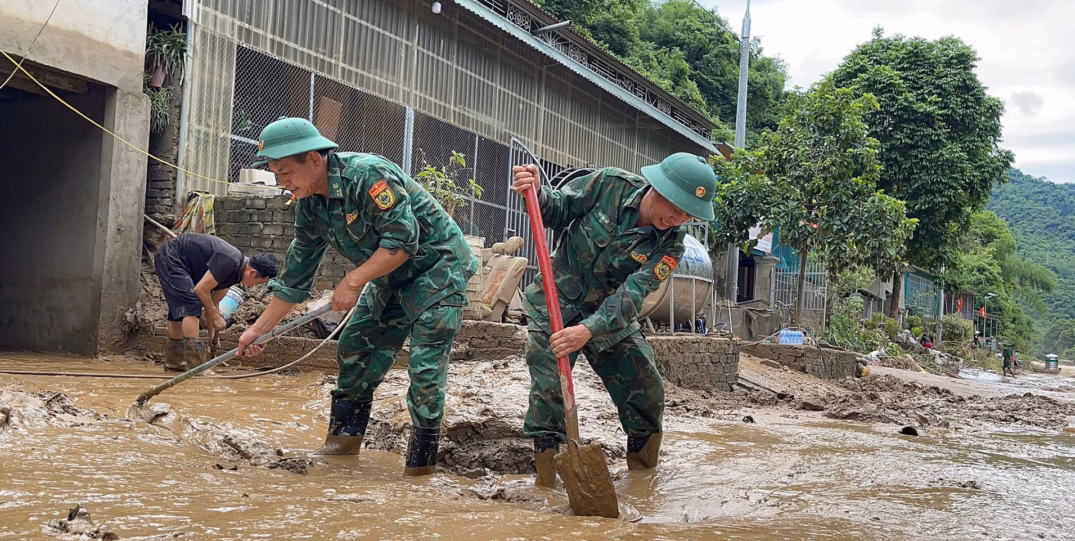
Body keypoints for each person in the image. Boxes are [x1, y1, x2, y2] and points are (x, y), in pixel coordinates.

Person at [237, 117, 478, 476]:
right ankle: (340, 449)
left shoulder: (368, 175)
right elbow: (296, 277)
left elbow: (402, 243)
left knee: (424, 366)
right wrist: (259, 329)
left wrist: (353, 281)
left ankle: (420, 470)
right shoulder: (309, 205)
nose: (281, 181)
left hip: (436, 268)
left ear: (314, 159)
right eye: (275, 174)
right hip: (388, 276)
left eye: (285, 172)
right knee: (355, 348)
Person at [510, 153, 716, 486]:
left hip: (608, 314)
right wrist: (535, 191)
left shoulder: (671, 245)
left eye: (687, 215)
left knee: (646, 388)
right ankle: (546, 481)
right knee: (549, 392)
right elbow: (557, 210)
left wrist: (587, 330)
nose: (678, 219)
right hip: (556, 300)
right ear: (658, 188)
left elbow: (632, 295)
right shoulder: (609, 185)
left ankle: (643, 478)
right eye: (675, 208)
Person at [154, 233, 278, 371]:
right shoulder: (230, 260)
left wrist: (211, 332)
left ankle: (174, 365)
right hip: (172, 257)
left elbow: (213, 303)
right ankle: (196, 368)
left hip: (184, 265)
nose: (254, 286)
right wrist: (216, 317)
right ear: (252, 273)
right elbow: (201, 290)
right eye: (257, 283)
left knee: (178, 314)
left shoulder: (234, 274)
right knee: (191, 306)